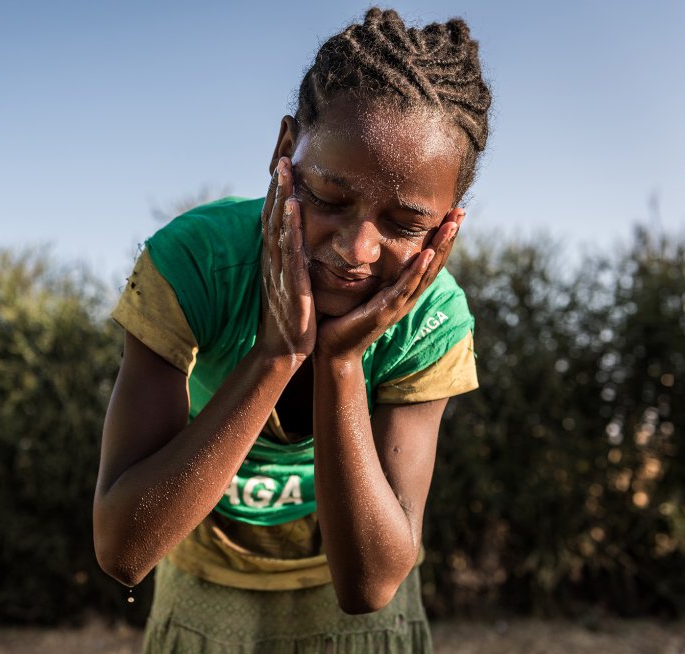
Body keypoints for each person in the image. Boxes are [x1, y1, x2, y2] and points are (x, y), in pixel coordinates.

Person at [93, 7, 491, 653]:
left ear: (447, 224)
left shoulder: (431, 319)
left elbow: (369, 589)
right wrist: (278, 353)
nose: (357, 249)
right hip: (204, 576)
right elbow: (125, 550)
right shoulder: (199, 263)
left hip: (346, 597)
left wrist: (338, 364)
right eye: (330, 199)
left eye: (405, 224)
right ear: (285, 151)